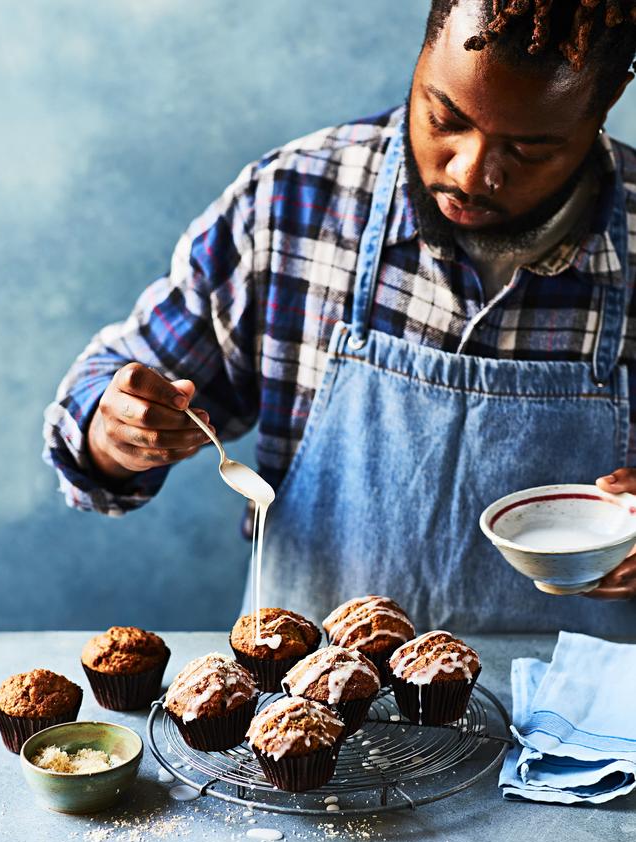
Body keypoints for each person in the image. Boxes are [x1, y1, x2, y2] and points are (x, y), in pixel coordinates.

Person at [44, 1, 636, 633]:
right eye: (444, 118)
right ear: (422, 55)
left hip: (573, 718)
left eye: (528, 149)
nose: (471, 174)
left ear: (604, 106)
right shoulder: (291, 203)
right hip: (311, 704)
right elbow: (111, 388)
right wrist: (114, 431)